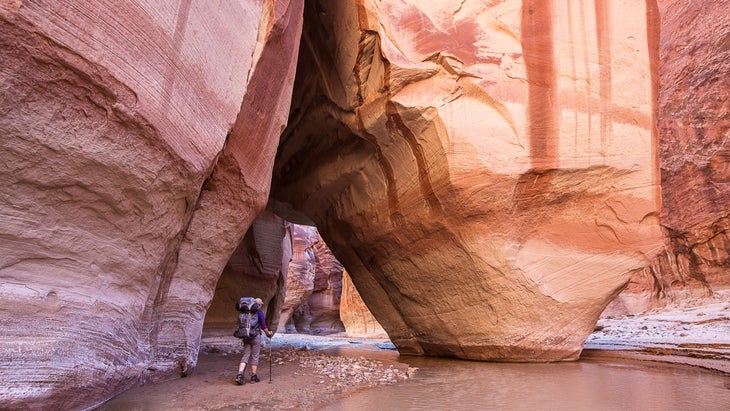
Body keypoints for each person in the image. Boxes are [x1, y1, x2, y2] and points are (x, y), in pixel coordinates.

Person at [236, 298, 273, 385]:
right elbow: (264, 327)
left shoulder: (243, 313)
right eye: (261, 305)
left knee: (245, 355)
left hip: (246, 335)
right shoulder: (259, 313)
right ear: (259, 305)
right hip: (256, 336)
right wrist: (269, 333)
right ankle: (253, 376)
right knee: (255, 356)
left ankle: (240, 374)